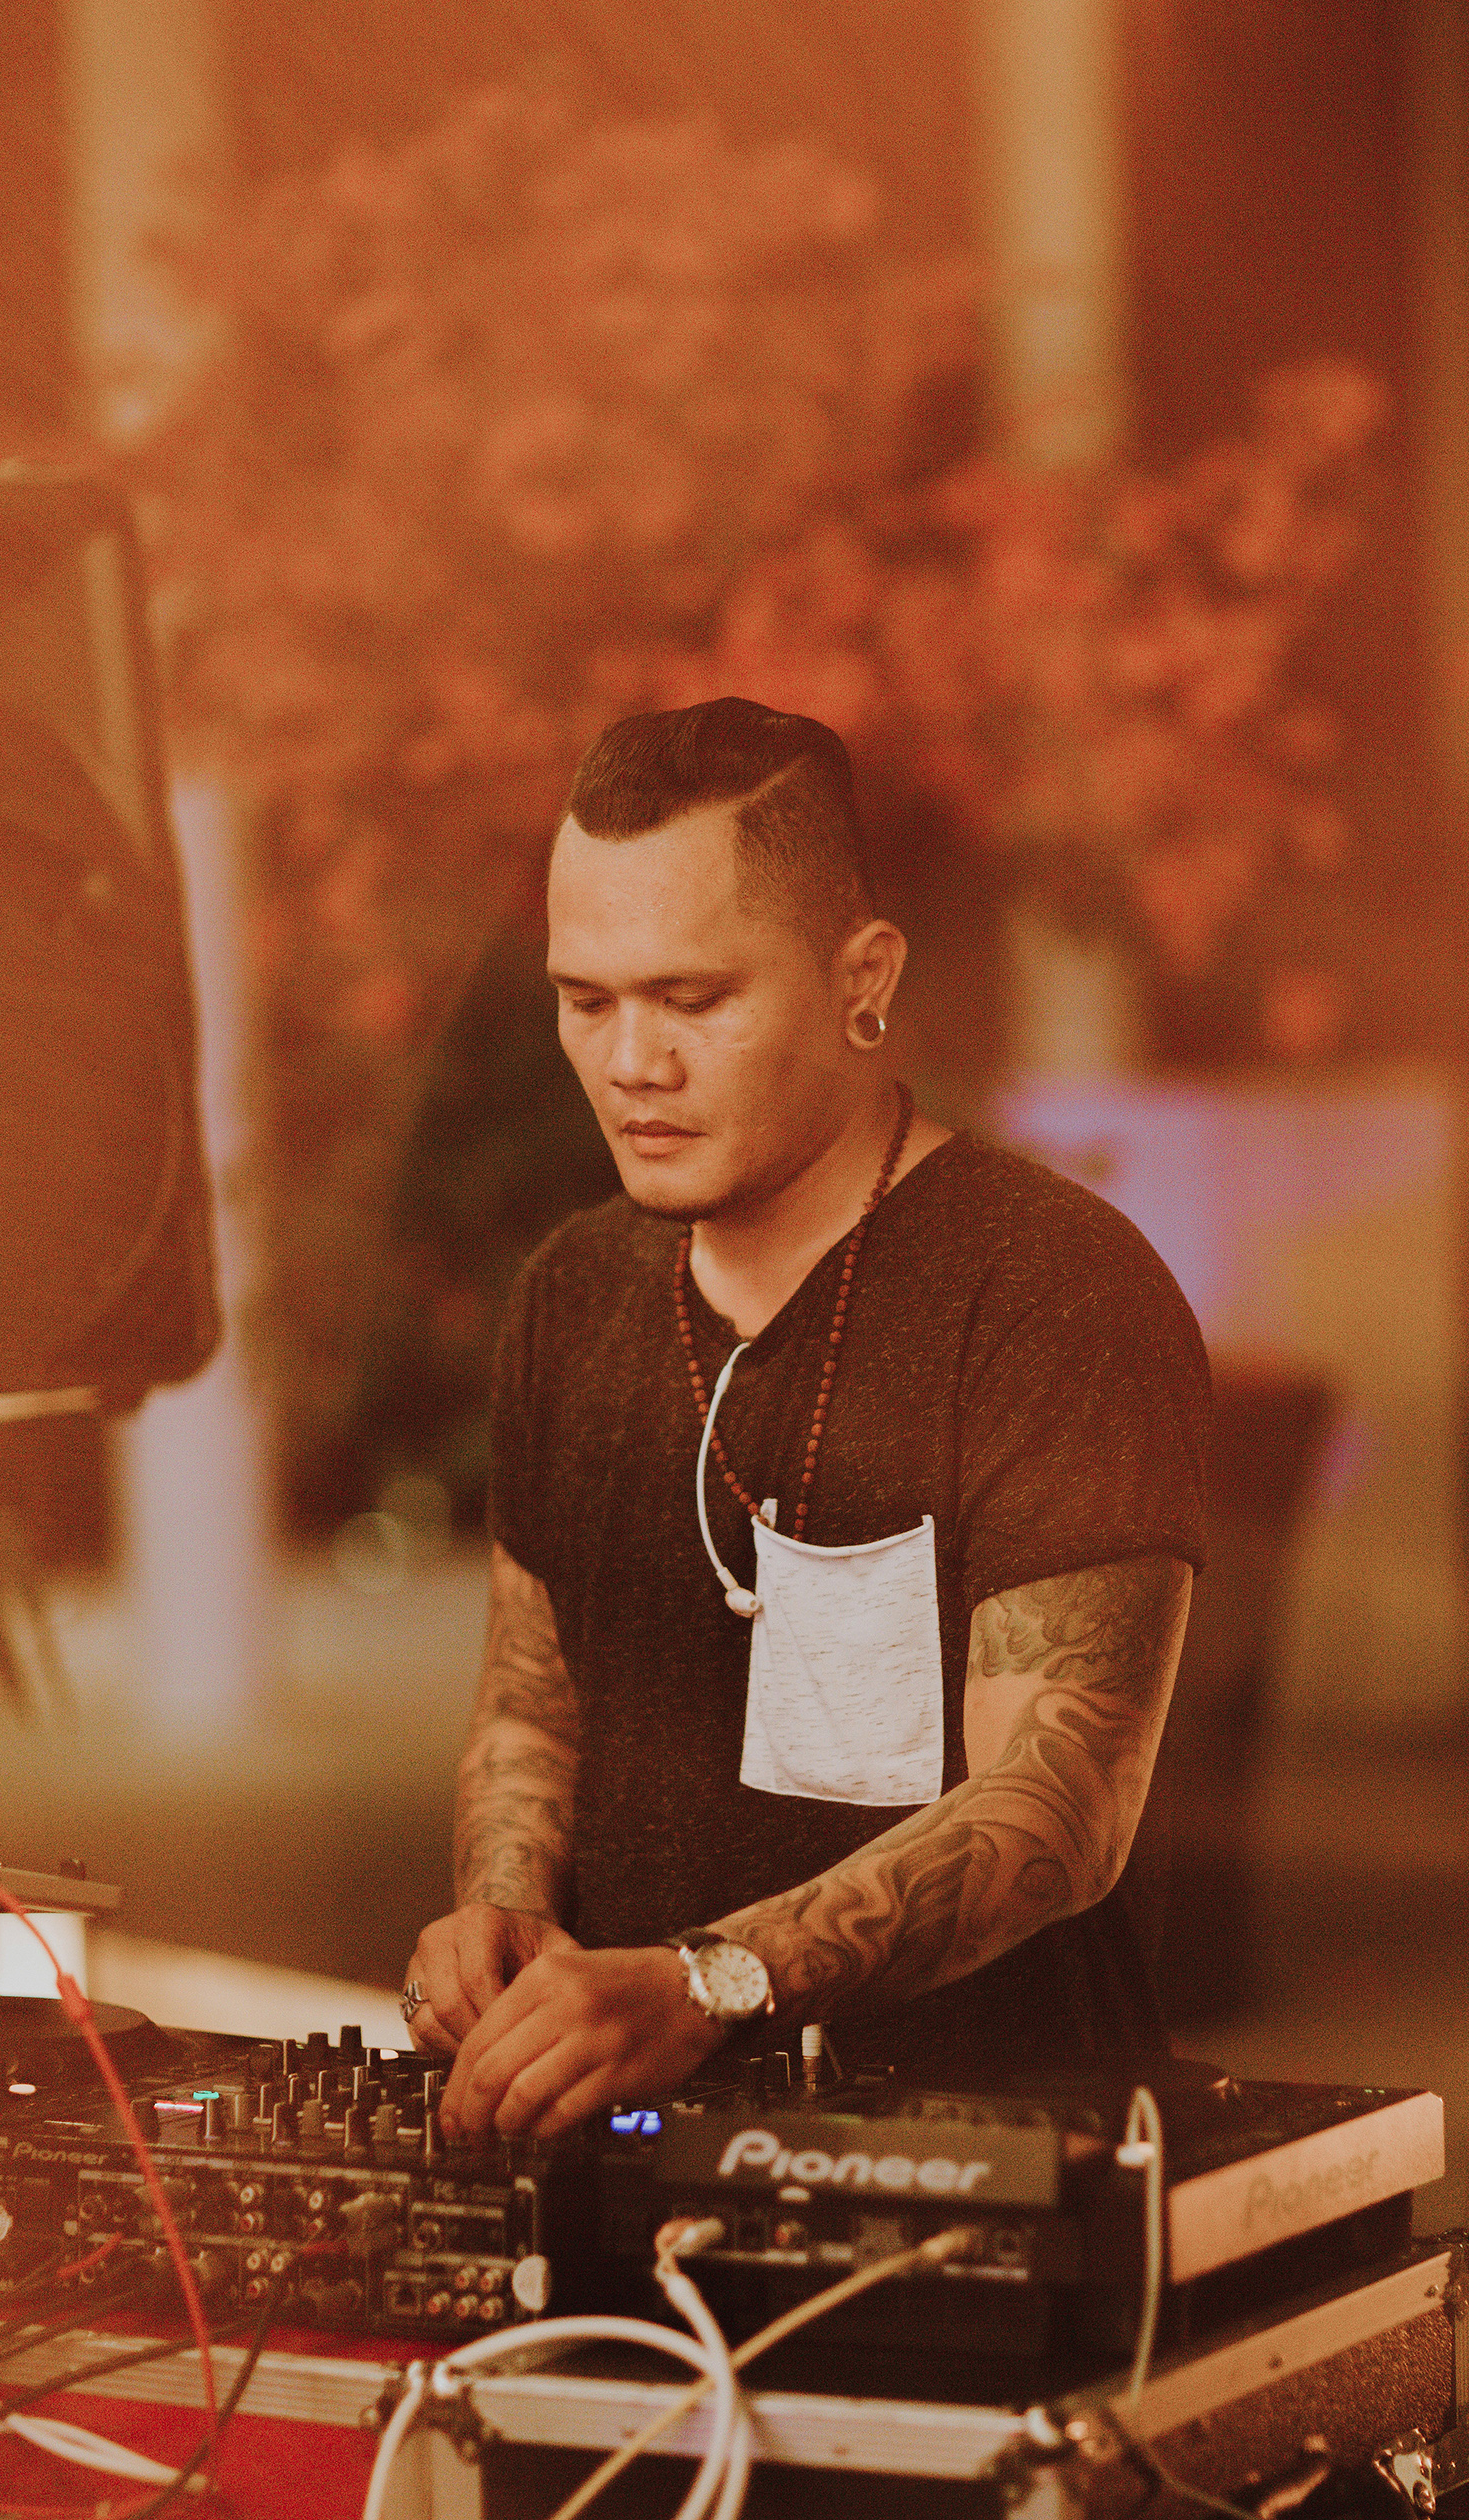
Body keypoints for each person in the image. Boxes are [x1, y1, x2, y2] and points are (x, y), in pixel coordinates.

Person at [405, 698, 1211, 2144]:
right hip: (625, 2136)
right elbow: (532, 1703)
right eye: (586, 1000)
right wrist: (502, 1912)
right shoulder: (572, 1293)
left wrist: (709, 1982)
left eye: (693, 997)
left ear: (864, 979)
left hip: (994, 2147)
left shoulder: (1053, 1286)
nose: (631, 1060)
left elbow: (1059, 1803)